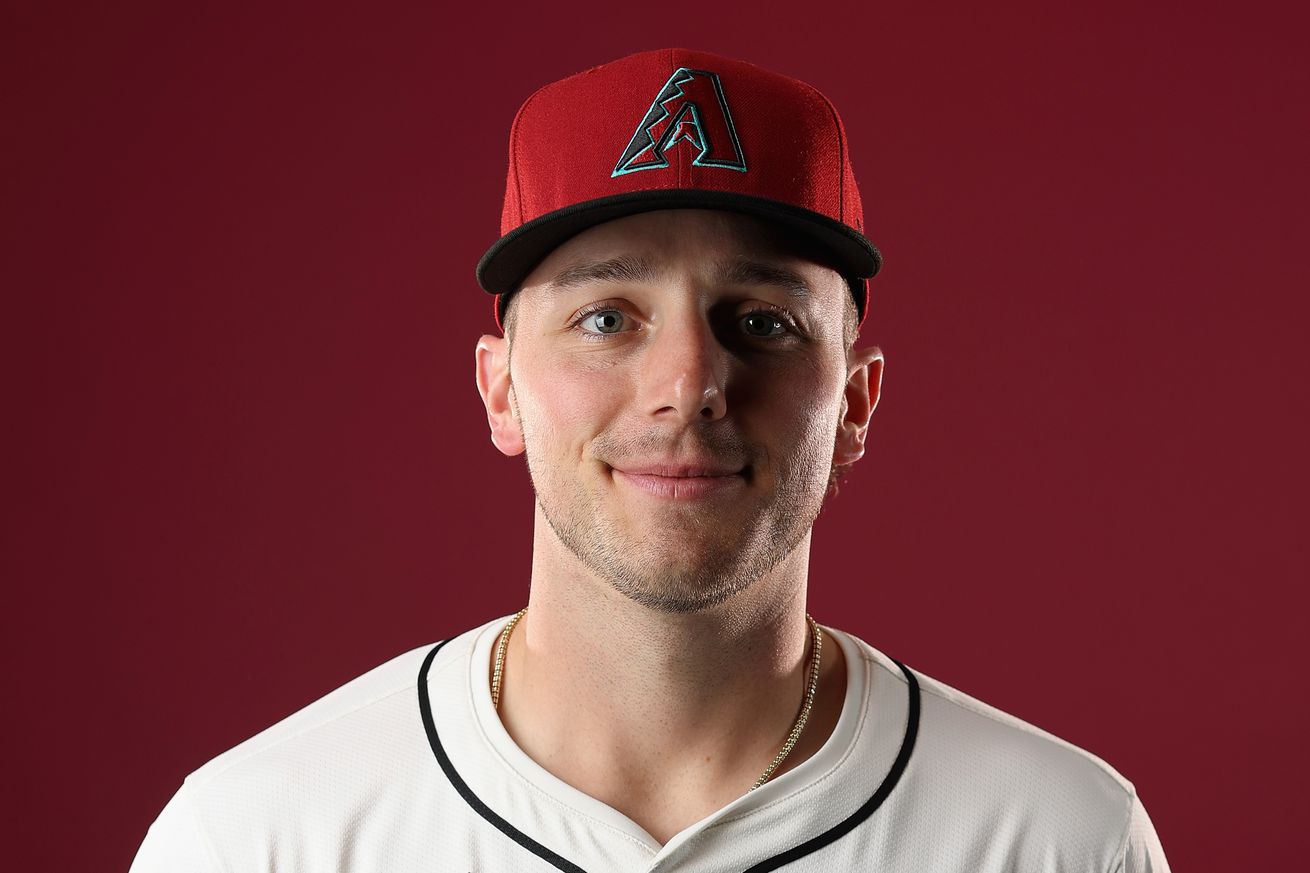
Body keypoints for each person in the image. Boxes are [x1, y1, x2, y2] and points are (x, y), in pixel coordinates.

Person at [130, 48, 1171, 872]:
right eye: (605, 317)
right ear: (500, 389)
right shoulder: (258, 840)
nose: (687, 382)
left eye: (759, 321)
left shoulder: (1055, 841)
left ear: (854, 403)